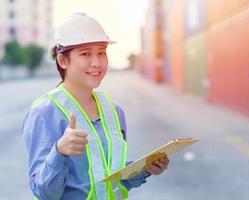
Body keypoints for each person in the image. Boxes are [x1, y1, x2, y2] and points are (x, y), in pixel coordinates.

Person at [22, 12, 169, 200]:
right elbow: (44, 193)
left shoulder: (114, 111)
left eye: (101, 52)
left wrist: (145, 168)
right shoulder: (43, 114)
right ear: (62, 61)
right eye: (85, 54)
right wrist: (59, 152)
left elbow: (110, 179)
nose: (97, 62)